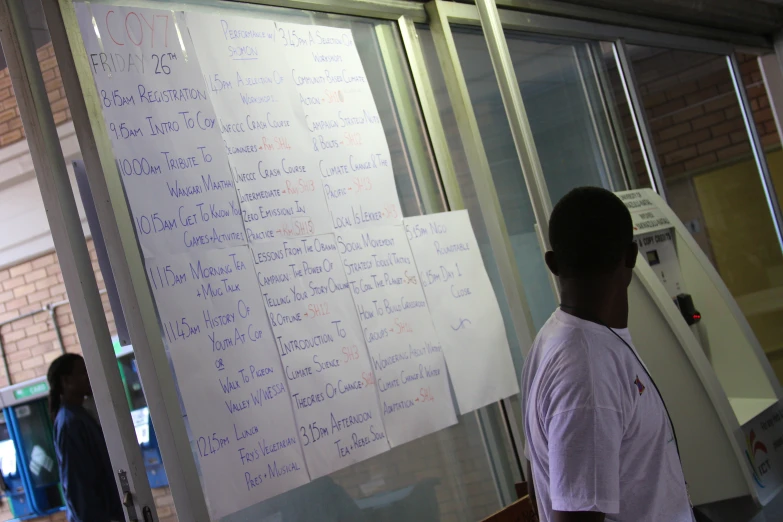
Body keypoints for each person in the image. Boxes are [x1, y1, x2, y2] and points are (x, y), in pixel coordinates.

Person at [520, 187, 693, 522]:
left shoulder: (554, 341)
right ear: (631, 256)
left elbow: (537, 482)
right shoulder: (588, 371)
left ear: (552, 264)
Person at [47, 353, 124, 522]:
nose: (89, 376)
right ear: (66, 381)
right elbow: (77, 485)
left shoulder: (80, 415)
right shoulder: (70, 423)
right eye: (83, 372)